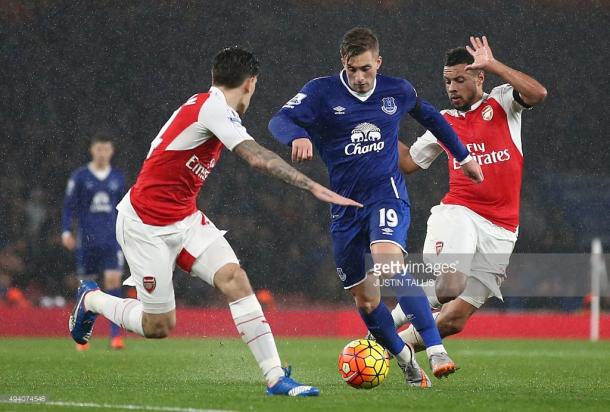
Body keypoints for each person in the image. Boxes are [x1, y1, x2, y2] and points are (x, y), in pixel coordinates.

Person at [68, 46, 362, 397]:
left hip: (185, 219)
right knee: (158, 325)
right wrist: (314, 187)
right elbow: (257, 158)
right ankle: (92, 300)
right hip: (145, 226)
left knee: (235, 279)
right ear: (251, 83)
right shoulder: (213, 108)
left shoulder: (206, 106)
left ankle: (275, 378)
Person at [268, 27, 483, 388]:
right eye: (353, 69)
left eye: (366, 69)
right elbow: (279, 120)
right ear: (343, 63)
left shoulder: (396, 90)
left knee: (388, 264)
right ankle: (405, 359)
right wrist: (298, 135)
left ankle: (435, 350)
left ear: (378, 63)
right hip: (343, 209)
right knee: (367, 300)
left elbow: (430, 116)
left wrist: (463, 156)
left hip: (386, 195)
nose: (360, 77)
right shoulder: (321, 92)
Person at [393, 36, 547, 350]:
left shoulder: (503, 101)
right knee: (450, 286)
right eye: (447, 81)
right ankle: (384, 326)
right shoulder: (443, 122)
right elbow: (408, 162)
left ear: (480, 77)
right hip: (459, 213)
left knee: (453, 321)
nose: (451, 88)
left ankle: (387, 347)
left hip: (502, 228)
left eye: (460, 80)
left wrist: (494, 64)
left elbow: (538, 93)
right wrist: (379, 130)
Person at [62, 134, 126, 351]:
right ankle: (81, 337)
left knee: (113, 282)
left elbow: (124, 209)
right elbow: (68, 205)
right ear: (92, 150)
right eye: (98, 149)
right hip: (87, 239)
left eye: (106, 149)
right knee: (86, 288)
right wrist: (65, 231)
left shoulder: (118, 178)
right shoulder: (79, 177)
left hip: (111, 240)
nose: (102, 153)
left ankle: (115, 336)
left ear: (111, 151)